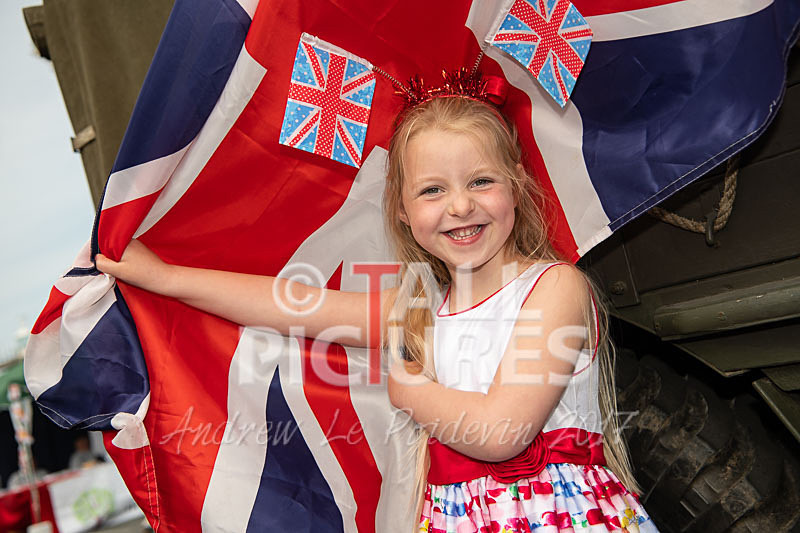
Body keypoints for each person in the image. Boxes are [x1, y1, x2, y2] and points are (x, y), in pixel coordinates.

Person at [96, 93, 659, 531]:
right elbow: (290, 306)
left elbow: (499, 431)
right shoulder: (419, 307)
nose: (460, 206)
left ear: (515, 184)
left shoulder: (554, 286)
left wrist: (408, 389)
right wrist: (164, 277)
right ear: (402, 210)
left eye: (481, 181)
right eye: (432, 190)